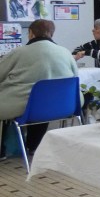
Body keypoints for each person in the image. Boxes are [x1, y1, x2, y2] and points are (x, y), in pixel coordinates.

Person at [0, 19, 80, 158]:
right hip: (63, 105)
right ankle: (33, 146)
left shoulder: (19, 52)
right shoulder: (65, 52)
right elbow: (75, 77)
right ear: (52, 34)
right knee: (43, 98)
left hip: (25, 106)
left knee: (31, 100)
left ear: (31, 33)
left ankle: (2, 151)